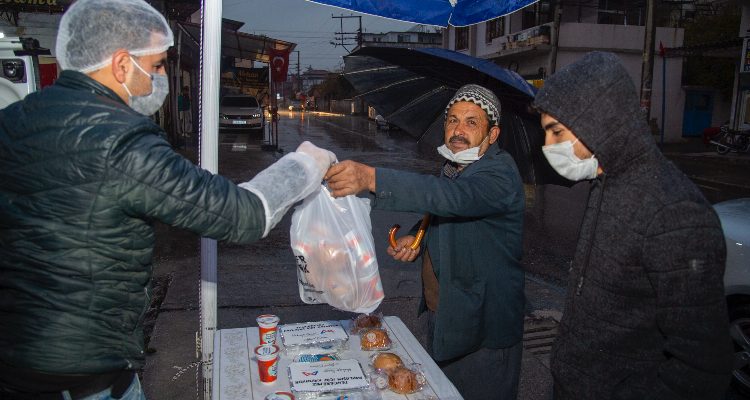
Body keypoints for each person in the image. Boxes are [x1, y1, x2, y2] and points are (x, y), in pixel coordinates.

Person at [0, 0, 335, 399]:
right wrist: (305, 165)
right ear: (123, 65)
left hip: (15, 358)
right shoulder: (121, 140)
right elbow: (244, 215)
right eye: (157, 65)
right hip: (83, 376)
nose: (160, 78)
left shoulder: (15, 119)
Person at [533, 51, 733, 399]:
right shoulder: (605, 181)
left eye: (557, 132)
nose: (548, 146)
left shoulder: (674, 212)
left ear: (599, 120)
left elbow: (702, 366)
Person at [326, 84, 525, 399]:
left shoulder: (499, 174)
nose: (458, 130)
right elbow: (448, 210)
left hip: (483, 331)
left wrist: (371, 178)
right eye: (452, 120)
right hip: (446, 316)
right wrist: (419, 235)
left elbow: (455, 199)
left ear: (493, 134)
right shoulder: (455, 167)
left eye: (471, 122)